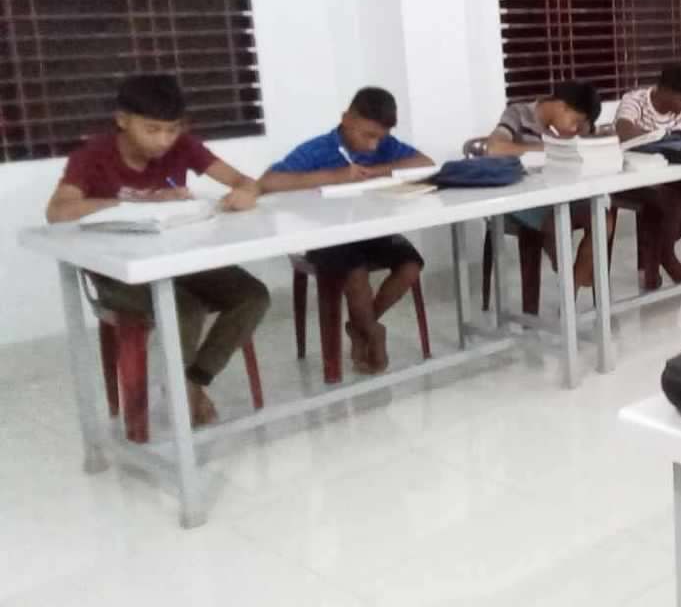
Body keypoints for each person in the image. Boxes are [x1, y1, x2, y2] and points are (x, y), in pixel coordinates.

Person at [45, 74, 270, 426]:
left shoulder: (183, 146)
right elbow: (58, 212)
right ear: (122, 120)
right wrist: (144, 203)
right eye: (152, 130)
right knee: (183, 308)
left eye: (172, 129)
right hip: (117, 270)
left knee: (253, 295)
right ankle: (178, 392)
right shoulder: (93, 156)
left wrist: (246, 192)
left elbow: (245, 181)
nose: (164, 141)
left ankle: (192, 382)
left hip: (178, 257)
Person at [259, 87, 433, 374]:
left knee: (411, 266)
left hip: (372, 230)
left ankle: (361, 326)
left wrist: (380, 170)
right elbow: (268, 181)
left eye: (381, 137)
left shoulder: (384, 147)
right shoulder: (318, 149)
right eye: (368, 135)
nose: (375, 146)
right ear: (346, 119)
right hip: (327, 236)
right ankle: (373, 333)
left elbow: (424, 163)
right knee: (355, 272)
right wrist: (335, 176)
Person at [612, 64, 681, 288]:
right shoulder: (635, 101)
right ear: (666, 90)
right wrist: (671, 134)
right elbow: (624, 131)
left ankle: (661, 250)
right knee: (675, 203)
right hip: (636, 178)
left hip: (672, 175)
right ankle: (667, 257)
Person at [480, 81, 605, 287]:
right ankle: (566, 275)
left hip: (559, 194)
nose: (574, 128)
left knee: (603, 218)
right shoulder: (518, 114)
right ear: (561, 106)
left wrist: (584, 137)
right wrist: (547, 148)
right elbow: (494, 148)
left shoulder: (564, 129)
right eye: (574, 121)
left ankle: (572, 283)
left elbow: (584, 144)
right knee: (556, 222)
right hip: (522, 198)